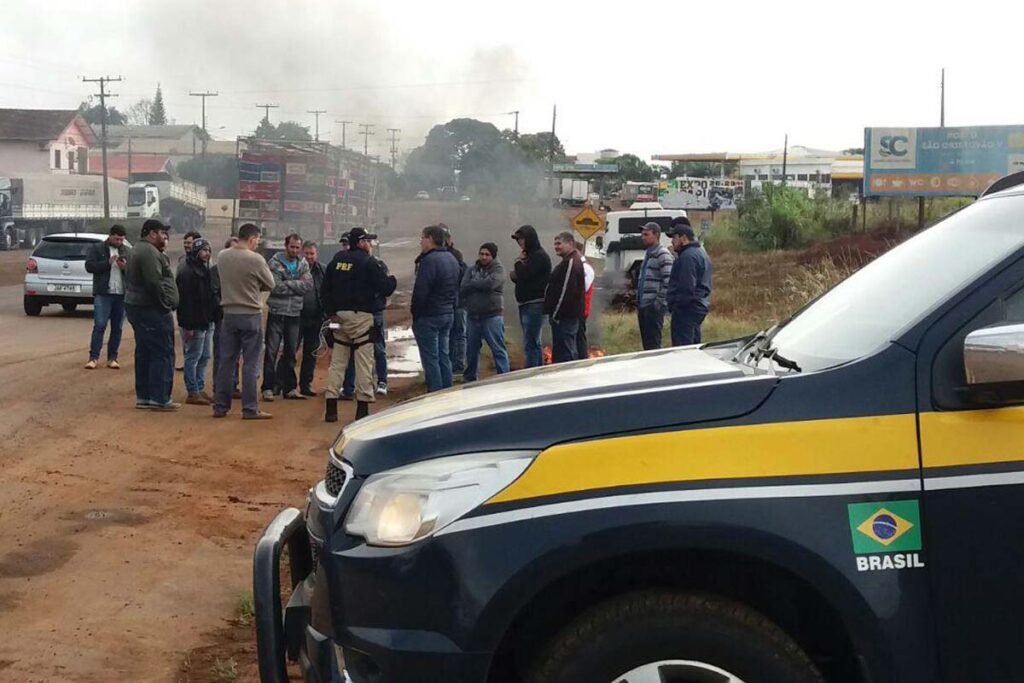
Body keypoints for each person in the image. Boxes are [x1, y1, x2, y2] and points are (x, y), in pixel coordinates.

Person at [321, 228, 397, 423]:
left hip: (339, 318)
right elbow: (386, 288)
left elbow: (325, 290)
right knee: (364, 363)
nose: (370, 245)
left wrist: (331, 313)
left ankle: (331, 409)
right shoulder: (369, 262)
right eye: (368, 241)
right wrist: (392, 279)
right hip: (362, 318)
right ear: (361, 242)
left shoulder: (337, 260)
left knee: (337, 364)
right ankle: (362, 410)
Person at [212, 223, 275, 420]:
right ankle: (249, 408)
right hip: (250, 314)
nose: (257, 243)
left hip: (229, 314)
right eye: (257, 240)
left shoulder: (223, 256)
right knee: (250, 363)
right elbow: (270, 283)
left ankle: (220, 406)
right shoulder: (255, 259)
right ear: (252, 238)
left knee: (226, 362)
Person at [125, 219, 179, 410]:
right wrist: (165, 304)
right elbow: (153, 282)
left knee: (145, 352)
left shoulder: (138, 249)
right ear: (152, 233)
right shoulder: (148, 252)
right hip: (150, 308)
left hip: (139, 306)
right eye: (162, 233)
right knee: (162, 352)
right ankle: (160, 398)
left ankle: (145, 397)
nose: (165, 237)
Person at [261, 233, 312, 401]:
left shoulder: (303, 263)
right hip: (277, 312)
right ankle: (267, 387)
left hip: (295, 313)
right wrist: (296, 283)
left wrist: (288, 282)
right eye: (292, 247)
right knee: (271, 352)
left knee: (291, 352)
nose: (295, 250)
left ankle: (289, 388)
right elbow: (275, 286)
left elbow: (308, 286)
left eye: (298, 247)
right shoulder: (274, 262)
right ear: (286, 246)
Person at [411, 224, 461, 391]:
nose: (421, 242)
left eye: (423, 238)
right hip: (447, 312)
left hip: (430, 315)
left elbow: (421, 291)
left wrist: (416, 314)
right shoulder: (452, 259)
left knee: (431, 358)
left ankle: (435, 393)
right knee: (443, 355)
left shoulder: (429, 261)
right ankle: (447, 391)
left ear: (431, 239)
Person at [343, 245, 391, 399]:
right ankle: (349, 386)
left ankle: (382, 381)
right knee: (353, 348)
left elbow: (385, 287)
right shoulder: (348, 266)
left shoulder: (378, 264)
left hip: (374, 311)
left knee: (378, 348)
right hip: (357, 312)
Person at [460, 242, 510, 382]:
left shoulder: (499, 270)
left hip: (492, 316)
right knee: (471, 351)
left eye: (487, 254)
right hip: (472, 316)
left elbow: (491, 284)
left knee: (498, 349)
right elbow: (463, 287)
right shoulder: (471, 270)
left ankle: (505, 378)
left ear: (493, 256)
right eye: (481, 254)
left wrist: (474, 283)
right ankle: (470, 379)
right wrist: (480, 284)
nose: (483, 257)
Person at [176, 238, 217, 405]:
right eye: (204, 250)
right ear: (196, 252)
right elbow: (185, 301)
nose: (207, 253)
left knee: (205, 355)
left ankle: (200, 388)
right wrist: (188, 325)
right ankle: (192, 391)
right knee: (193, 357)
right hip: (194, 322)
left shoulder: (204, 270)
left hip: (206, 320)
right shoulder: (188, 271)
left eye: (209, 250)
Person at [83, 224, 130, 370]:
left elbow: (134, 272)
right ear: (110, 236)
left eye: (121, 240)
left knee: (117, 327)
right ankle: (93, 358)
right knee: (100, 325)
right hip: (103, 293)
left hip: (121, 294)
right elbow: (89, 266)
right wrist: (107, 263)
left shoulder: (127, 251)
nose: (119, 242)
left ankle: (112, 358)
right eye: (116, 239)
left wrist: (125, 268)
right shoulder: (98, 248)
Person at [509, 225, 551, 368]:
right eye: (518, 240)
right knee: (534, 342)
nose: (520, 242)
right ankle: (537, 370)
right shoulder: (530, 256)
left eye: (522, 239)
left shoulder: (539, 256)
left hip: (534, 303)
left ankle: (532, 371)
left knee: (531, 343)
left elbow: (523, 274)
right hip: (526, 302)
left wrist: (517, 262)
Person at [666, 217, 713, 346]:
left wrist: (676, 307)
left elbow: (686, 287)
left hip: (686, 310)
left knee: (683, 349)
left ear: (683, 238)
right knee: (693, 346)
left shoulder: (687, 256)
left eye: (674, 237)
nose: (672, 241)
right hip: (698, 307)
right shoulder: (700, 253)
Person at [544, 231, 586, 363]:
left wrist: (556, 315)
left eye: (559, 243)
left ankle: (568, 375)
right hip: (565, 316)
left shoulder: (571, 263)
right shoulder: (569, 261)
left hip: (565, 317)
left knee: (566, 353)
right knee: (564, 351)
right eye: (555, 244)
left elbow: (566, 291)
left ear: (571, 243)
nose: (556, 247)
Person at [636, 221, 675, 350]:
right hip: (643, 306)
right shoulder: (648, 254)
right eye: (642, 235)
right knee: (647, 344)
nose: (643, 237)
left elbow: (669, 281)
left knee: (653, 345)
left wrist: (658, 303)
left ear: (656, 235)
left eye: (646, 234)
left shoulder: (662, 254)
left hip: (653, 307)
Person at [211, 236, 240, 399]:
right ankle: (219, 386)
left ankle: (233, 385)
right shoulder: (216, 270)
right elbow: (214, 293)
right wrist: (224, 308)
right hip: (223, 316)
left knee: (236, 353)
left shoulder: (242, 269)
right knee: (221, 353)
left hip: (239, 315)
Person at [299, 240, 327, 397]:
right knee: (290, 351)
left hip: (316, 317)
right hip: (296, 317)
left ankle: (306, 385)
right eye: (306, 253)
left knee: (311, 353)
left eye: (312, 253)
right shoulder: (296, 269)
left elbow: (328, 290)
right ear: (302, 254)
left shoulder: (322, 270)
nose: (309, 256)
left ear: (317, 254)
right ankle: (283, 384)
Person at [175, 229, 202, 371]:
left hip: (197, 308)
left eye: (189, 243)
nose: (186, 245)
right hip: (182, 304)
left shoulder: (204, 262)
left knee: (197, 344)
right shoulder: (181, 260)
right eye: (185, 242)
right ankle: (188, 364)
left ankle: (194, 369)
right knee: (185, 338)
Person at [444, 226, 468, 376]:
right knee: (451, 335)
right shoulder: (454, 255)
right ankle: (452, 365)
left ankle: (457, 365)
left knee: (458, 334)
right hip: (451, 302)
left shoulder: (456, 255)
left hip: (457, 302)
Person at [575, 241, 596, 360]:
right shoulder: (577, 265)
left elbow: (583, 288)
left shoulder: (586, 268)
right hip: (576, 308)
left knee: (579, 337)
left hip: (581, 308)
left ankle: (582, 359)